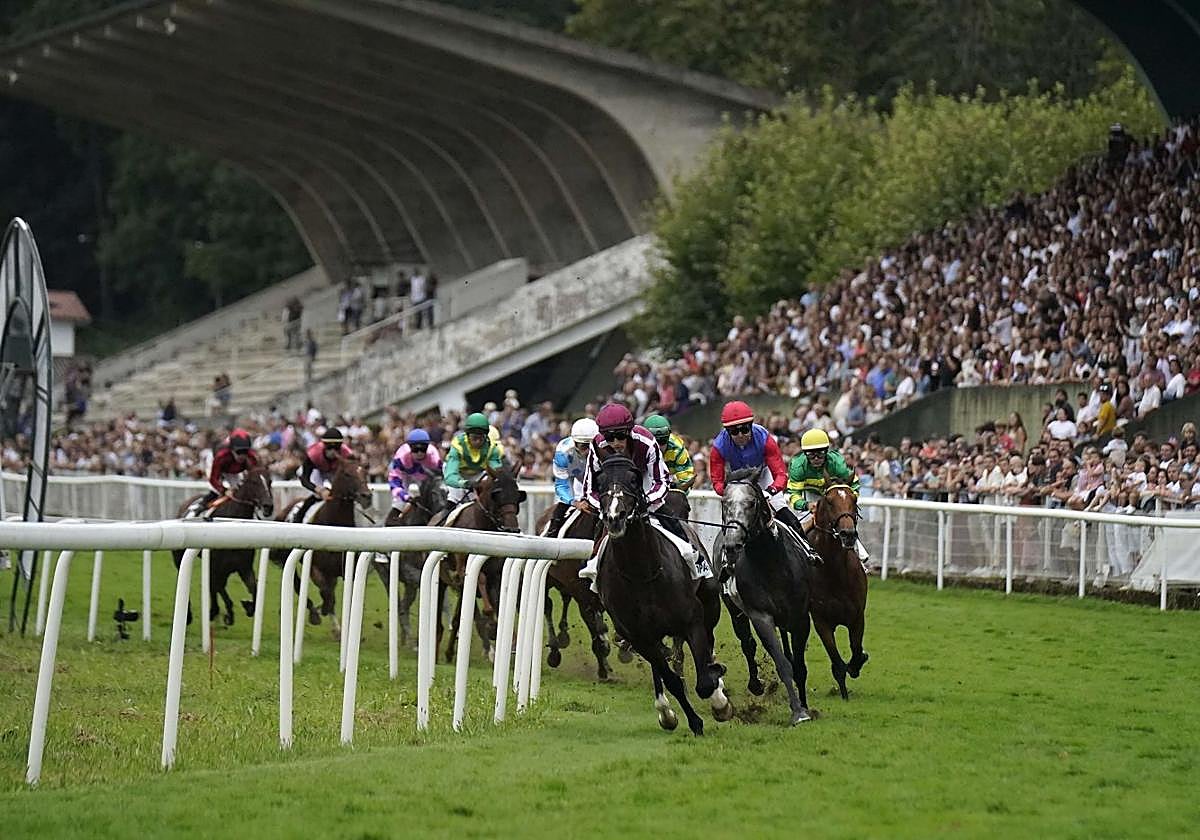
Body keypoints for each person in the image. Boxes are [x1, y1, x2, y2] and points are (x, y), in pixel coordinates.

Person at [578, 402, 700, 581]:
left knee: (670, 518)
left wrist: (645, 502)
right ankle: (594, 563)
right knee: (602, 525)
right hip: (614, 490)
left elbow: (661, 481)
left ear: (629, 431)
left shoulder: (646, 440)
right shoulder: (597, 446)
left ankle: (693, 557)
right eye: (610, 438)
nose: (616, 443)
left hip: (645, 481)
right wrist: (606, 507)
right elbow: (589, 490)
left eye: (620, 436)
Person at [787, 428, 871, 571]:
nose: (816, 459)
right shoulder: (797, 465)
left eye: (820, 454)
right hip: (809, 495)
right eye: (811, 455)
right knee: (798, 527)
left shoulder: (837, 462)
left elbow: (854, 485)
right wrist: (806, 505)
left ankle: (859, 558)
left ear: (826, 451)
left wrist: (847, 503)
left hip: (834, 495)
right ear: (804, 454)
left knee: (845, 522)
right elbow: (794, 495)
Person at [709, 400, 800, 531]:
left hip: (763, 474)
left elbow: (781, 475)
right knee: (730, 520)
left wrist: (770, 491)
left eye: (745, 429)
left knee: (784, 513)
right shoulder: (718, 447)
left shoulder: (764, 438)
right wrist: (730, 491)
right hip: (737, 481)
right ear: (727, 431)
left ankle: (807, 546)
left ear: (751, 425)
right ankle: (724, 550)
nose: (740, 435)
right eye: (734, 431)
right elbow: (717, 482)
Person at [545, 417, 598, 537]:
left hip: (596, 481)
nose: (588, 452)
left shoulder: (605, 449)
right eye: (584, 446)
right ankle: (551, 533)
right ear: (574, 442)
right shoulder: (562, 452)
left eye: (591, 446)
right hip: (577, 482)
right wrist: (575, 502)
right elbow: (562, 485)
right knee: (561, 507)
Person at [188, 429, 258, 518]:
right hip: (216, 464)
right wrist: (224, 490)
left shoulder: (251, 457)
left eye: (245, 452)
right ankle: (197, 508)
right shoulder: (221, 456)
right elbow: (213, 479)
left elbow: (255, 474)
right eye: (239, 452)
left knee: (238, 490)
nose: (242, 456)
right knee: (215, 491)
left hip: (233, 469)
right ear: (232, 449)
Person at [288, 428, 354, 522]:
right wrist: (318, 490)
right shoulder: (313, 454)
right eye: (329, 448)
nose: (333, 452)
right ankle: (299, 518)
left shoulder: (348, 454)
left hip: (335, 471)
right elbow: (304, 479)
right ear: (324, 445)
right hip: (317, 470)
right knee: (317, 496)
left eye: (336, 448)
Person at [443, 412, 505, 508]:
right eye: (474, 438)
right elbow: (450, 476)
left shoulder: (493, 448)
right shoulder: (458, 445)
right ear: (467, 436)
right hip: (458, 473)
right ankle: (442, 520)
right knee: (455, 499)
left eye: (481, 438)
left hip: (478, 473)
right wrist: (465, 483)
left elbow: (495, 472)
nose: (478, 442)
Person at [387, 428, 443, 517]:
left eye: (423, 449)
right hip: (405, 474)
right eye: (415, 449)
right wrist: (404, 496)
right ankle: (393, 520)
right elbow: (394, 481)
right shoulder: (401, 457)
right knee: (399, 503)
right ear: (409, 447)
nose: (419, 453)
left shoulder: (434, 457)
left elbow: (440, 479)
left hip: (424, 476)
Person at [644, 414, 696, 493]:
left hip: (669, 480)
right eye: (655, 442)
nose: (659, 447)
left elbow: (685, 478)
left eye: (663, 441)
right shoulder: (638, 447)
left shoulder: (677, 448)